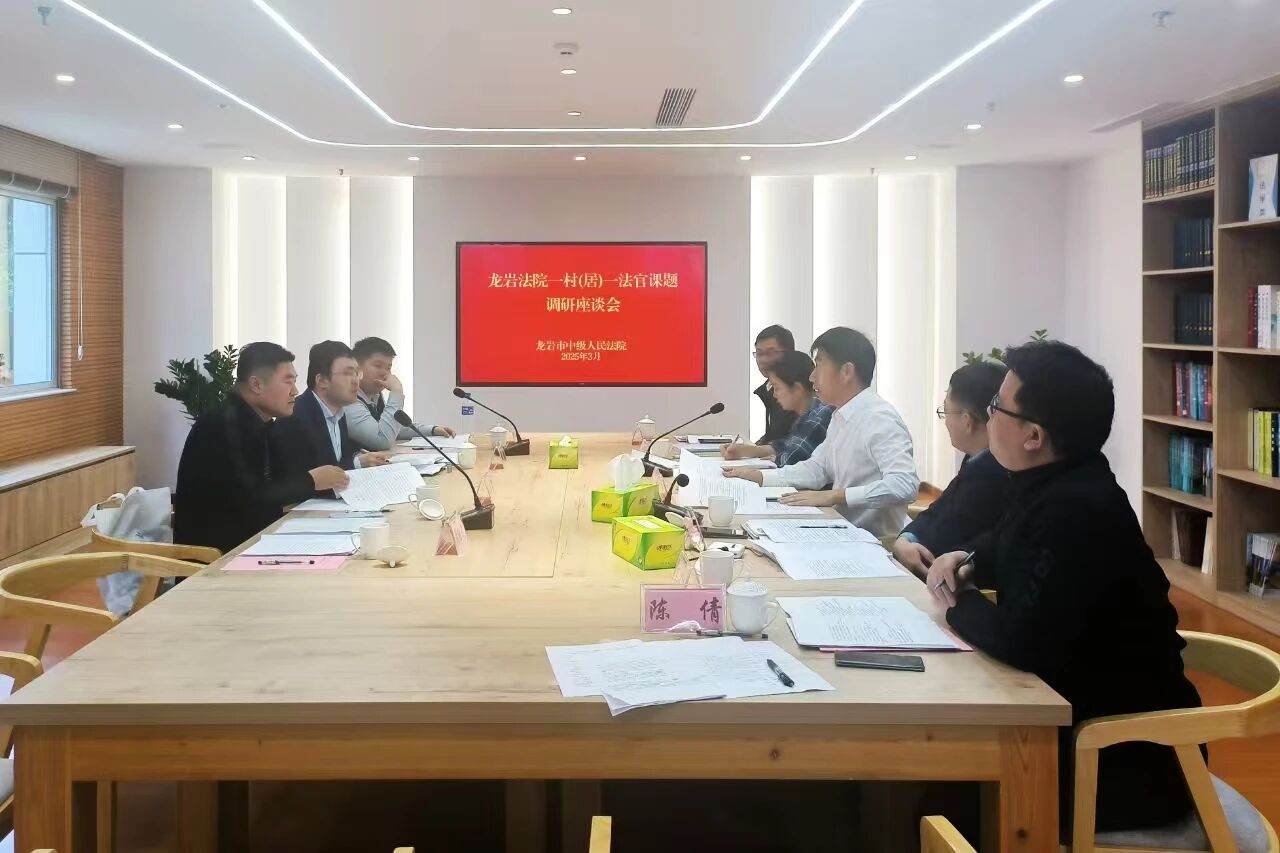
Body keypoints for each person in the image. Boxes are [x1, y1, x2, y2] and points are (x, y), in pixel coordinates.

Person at [925, 340, 1201, 835]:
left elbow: (1022, 641)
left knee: (924, 787)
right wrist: (968, 562)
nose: (988, 416)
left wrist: (957, 602)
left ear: (1033, 435)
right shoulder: (1057, 480)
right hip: (1082, 725)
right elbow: (1010, 544)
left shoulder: (1077, 511)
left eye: (997, 406)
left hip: (1119, 761)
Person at [726, 327, 919, 538]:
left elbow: (904, 485)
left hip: (876, 540)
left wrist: (836, 496)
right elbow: (817, 469)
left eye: (819, 365)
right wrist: (759, 476)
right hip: (841, 529)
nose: (812, 377)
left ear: (846, 372)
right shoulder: (840, 415)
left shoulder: (879, 419)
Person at [173, 342, 349, 554]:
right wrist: (312, 480)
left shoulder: (258, 423)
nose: (295, 391)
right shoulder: (224, 425)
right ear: (256, 385)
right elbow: (252, 497)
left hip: (253, 543)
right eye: (288, 381)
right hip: (218, 557)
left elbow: (277, 482)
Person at [892, 361, 1011, 579]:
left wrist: (905, 545)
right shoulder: (976, 459)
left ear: (967, 421)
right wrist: (907, 538)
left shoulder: (994, 473)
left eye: (945, 411)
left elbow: (943, 540)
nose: (945, 421)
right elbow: (938, 510)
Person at [270, 340, 388, 496]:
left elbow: (334, 464)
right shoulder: (295, 417)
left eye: (356, 373)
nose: (356, 381)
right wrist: (356, 464)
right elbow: (307, 481)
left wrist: (358, 461)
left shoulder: (338, 412)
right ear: (322, 381)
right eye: (347, 373)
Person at [723, 350, 834, 467]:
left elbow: (789, 461)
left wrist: (775, 459)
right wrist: (747, 450)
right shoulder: (805, 414)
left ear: (797, 389)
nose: (774, 395)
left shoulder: (819, 416)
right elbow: (785, 445)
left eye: (777, 388)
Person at [345, 336, 455, 452]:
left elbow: (392, 428)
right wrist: (396, 392)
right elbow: (382, 441)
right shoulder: (347, 401)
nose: (384, 373)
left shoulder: (374, 396)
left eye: (388, 368)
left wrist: (432, 430)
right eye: (378, 366)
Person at [752, 325, 797, 445]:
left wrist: (755, 450)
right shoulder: (768, 388)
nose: (763, 360)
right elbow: (774, 434)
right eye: (759, 353)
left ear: (789, 354)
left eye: (770, 353)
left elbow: (792, 440)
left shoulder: (796, 391)